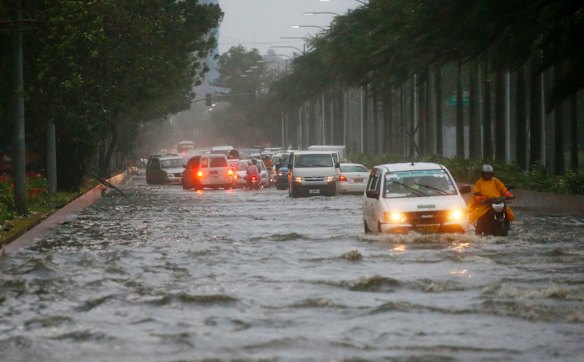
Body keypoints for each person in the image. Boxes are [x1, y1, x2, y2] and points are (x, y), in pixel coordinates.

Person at [468, 164, 515, 232]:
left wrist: (510, 195)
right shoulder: (479, 183)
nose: (487, 175)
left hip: (498, 202)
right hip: (486, 204)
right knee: (480, 215)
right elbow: (476, 193)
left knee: (508, 212)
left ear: (492, 174)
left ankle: (506, 225)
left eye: (488, 173)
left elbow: (503, 189)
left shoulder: (496, 181)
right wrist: (480, 199)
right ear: (482, 174)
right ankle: (479, 229)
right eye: (485, 173)